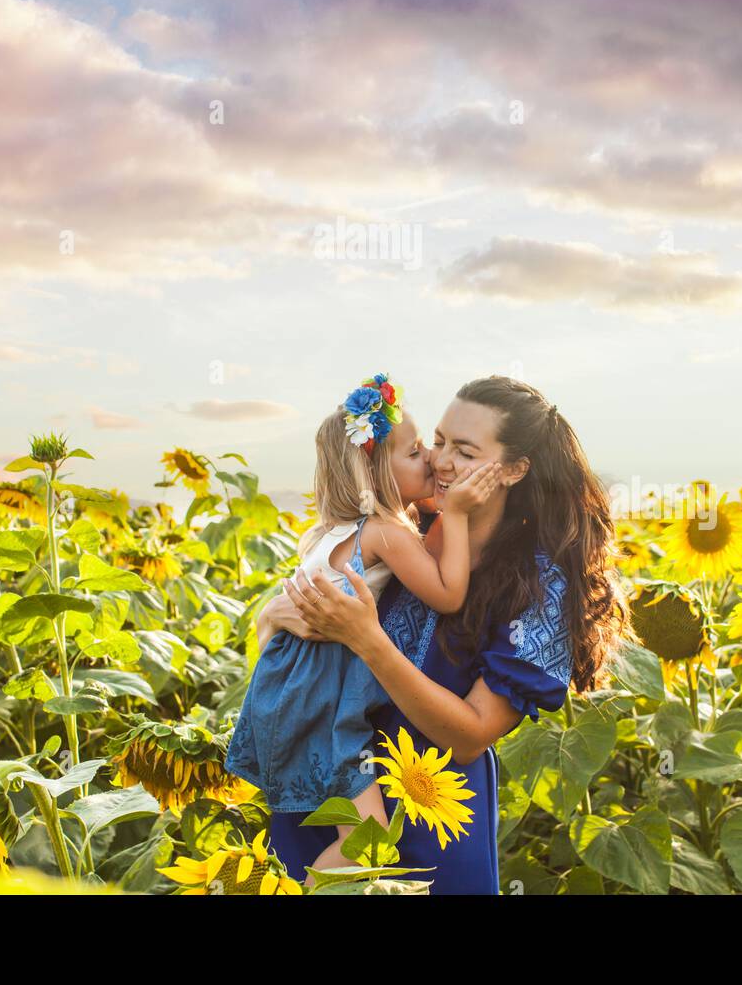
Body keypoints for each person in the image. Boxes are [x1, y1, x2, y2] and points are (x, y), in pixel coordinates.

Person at [261, 376, 629, 894]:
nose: (440, 460)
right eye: (437, 441)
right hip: (328, 783)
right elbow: (304, 601)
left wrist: (369, 640)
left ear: (516, 469)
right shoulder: (402, 526)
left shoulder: (541, 583)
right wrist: (284, 613)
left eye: (465, 450)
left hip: (435, 814)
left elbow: (471, 735)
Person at [224, 372, 500, 877]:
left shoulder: (329, 532)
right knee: (369, 843)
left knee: (343, 835)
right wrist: (456, 515)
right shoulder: (387, 533)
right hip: (325, 708)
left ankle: (291, 883)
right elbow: (448, 593)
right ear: (376, 475)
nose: (433, 461)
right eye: (417, 451)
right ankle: (301, 890)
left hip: (288, 696)